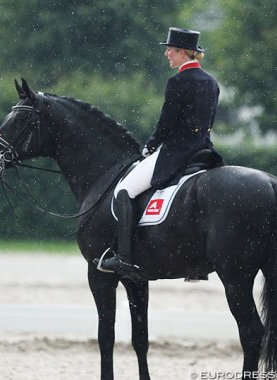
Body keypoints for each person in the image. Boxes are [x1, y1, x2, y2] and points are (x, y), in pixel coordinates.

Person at [98, 27, 223, 280]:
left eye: (170, 49)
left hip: (176, 153)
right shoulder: (211, 82)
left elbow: (166, 124)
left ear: (182, 52)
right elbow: (207, 122)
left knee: (124, 191)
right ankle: (199, 265)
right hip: (203, 153)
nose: (166, 53)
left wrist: (150, 146)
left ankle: (124, 258)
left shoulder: (178, 82)